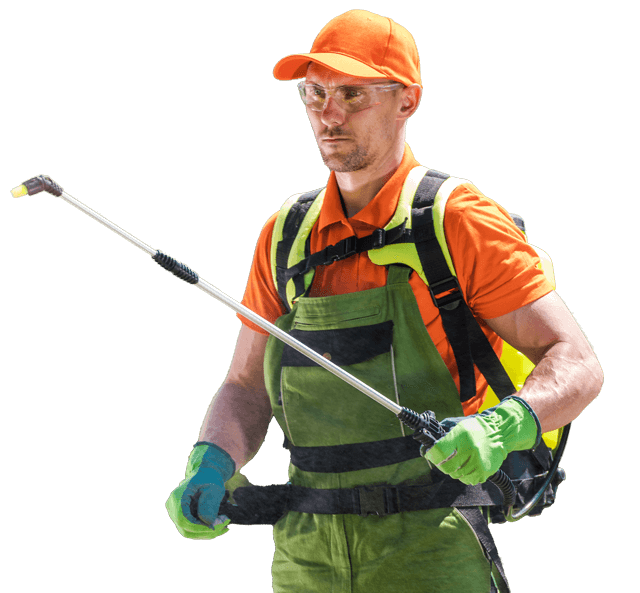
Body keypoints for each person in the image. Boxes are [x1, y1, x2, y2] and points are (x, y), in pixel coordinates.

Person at [166, 9, 603, 592]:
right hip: (305, 558)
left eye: (353, 94)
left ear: (407, 100)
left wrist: (502, 427)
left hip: (431, 547)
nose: (328, 114)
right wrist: (212, 460)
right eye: (314, 93)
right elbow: (246, 386)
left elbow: (577, 362)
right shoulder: (286, 234)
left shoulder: (455, 220)